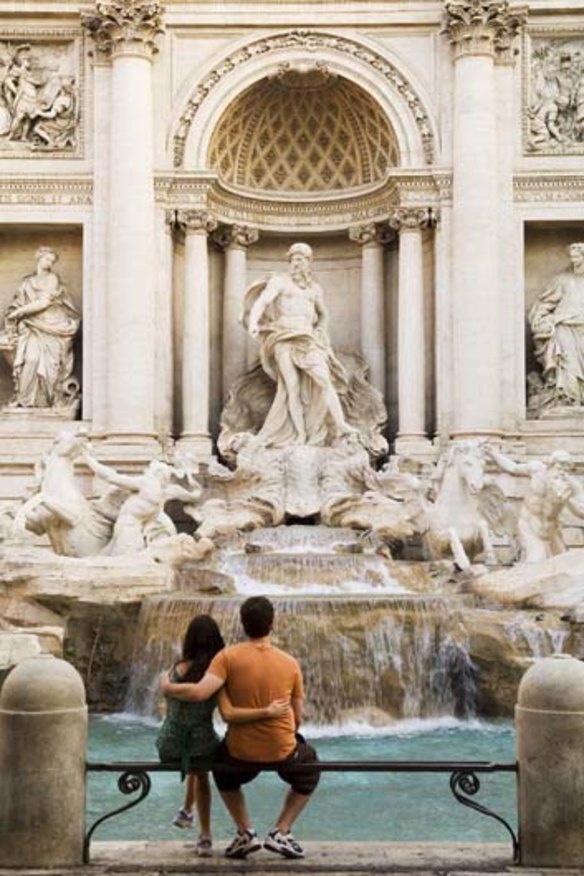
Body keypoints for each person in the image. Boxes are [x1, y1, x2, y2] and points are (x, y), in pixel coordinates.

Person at [161, 595, 319, 860]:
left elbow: (200, 692)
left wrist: (168, 687)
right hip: (282, 751)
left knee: (222, 772)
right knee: (310, 768)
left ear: (243, 624)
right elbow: (298, 717)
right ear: (272, 624)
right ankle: (281, 831)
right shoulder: (291, 663)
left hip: (239, 753)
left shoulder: (226, 658)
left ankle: (246, 832)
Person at [244, 242, 356, 447]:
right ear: (289, 262)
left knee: (324, 380)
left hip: (307, 339)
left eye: (302, 259)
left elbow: (323, 314)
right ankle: (300, 435)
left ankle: (341, 424)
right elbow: (262, 301)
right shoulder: (280, 282)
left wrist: (321, 330)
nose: (298, 263)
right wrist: (253, 322)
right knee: (291, 388)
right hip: (283, 338)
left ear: (309, 263)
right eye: (294, 259)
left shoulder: (314, 289)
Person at [0, 246, 80, 408]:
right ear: (39, 258)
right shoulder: (27, 282)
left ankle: (47, 402)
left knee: (51, 368)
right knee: (31, 359)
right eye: (46, 258)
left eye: (52, 260)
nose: (49, 262)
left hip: (53, 326)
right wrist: (15, 314)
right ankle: (25, 400)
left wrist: (17, 314)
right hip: (32, 328)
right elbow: (17, 304)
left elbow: (43, 303)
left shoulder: (52, 279)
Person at [80, 452, 201, 555]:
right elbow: (196, 495)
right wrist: (189, 475)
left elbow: (111, 477)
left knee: (123, 564)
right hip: (136, 529)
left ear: (156, 472)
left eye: (148, 469)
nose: (146, 471)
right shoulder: (166, 492)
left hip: (128, 529)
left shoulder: (146, 483)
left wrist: (89, 460)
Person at [485, 445, 584, 562]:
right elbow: (513, 467)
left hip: (551, 531)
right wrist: (494, 454)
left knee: (563, 563)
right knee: (536, 559)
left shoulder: (572, 486)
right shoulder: (536, 469)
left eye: (567, 467)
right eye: (560, 465)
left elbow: (582, 512)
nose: (562, 470)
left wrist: (568, 501)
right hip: (529, 524)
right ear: (551, 463)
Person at [529, 242, 584, 408]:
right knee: (568, 365)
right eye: (572, 256)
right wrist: (541, 319)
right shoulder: (562, 280)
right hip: (564, 327)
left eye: (578, 256)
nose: (574, 260)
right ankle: (568, 398)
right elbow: (545, 303)